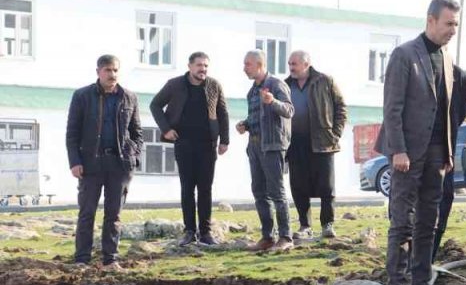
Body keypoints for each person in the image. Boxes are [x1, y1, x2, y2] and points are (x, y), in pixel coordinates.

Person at [377, 0, 461, 285]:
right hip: (407, 154)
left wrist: (448, 153)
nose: (453, 29)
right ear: (431, 21)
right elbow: (392, 108)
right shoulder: (404, 55)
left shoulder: (448, 59)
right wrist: (398, 149)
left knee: (430, 221)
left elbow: (448, 110)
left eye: (456, 24)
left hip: (438, 154)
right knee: (402, 221)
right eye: (448, 23)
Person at [66, 55, 142, 269]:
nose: (112, 74)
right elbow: (72, 132)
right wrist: (74, 161)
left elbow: (137, 132)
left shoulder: (129, 97)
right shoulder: (82, 96)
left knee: (114, 214)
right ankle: (82, 259)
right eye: (108, 70)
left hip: (119, 165)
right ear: (98, 71)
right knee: (87, 212)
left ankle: (111, 259)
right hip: (90, 163)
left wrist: (134, 156)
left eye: (115, 70)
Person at [150, 51, 230, 246]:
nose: (203, 69)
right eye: (199, 65)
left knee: (205, 189)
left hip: (207, 144)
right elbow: (155, 105)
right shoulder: (175, 84)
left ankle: (206, 232)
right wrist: (166, 129)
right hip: (184, 142)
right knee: (187, 188)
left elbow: (223, 113)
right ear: (190, 66)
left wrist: (224, 140)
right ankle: (189, 231)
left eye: (205, 66)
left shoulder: (214, 85)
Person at [236, 49, 295, 252]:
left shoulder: (277, 85)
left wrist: (273, 101)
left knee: (277, 193)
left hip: (272, 147)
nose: (244, 68)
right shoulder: (252, 91)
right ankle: (267, 237)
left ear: (259, 65)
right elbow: (255, 118)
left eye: (247, 64)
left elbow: (289, 110)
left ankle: (286, 237)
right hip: (254, 146)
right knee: (259, 192)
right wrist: (245, 124)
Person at [284, 50, 347, 239]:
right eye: (289, 64)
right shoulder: (285, 85)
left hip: (322, 142)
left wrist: (335, 134)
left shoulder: (325, 81)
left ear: (306, 64)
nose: (291, 67)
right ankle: (305, 226)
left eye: (294, 63)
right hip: (295, 143)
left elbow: (341, 108)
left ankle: (327, 225)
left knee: (326, 186)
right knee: (298, 186)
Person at [434, 65, 466, 259]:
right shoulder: (416, 66)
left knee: (444, 194)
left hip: (445, 146)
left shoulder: (458, 75)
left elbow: (463, 108)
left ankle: (430, 252)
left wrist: (449, 127)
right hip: (417, 147)